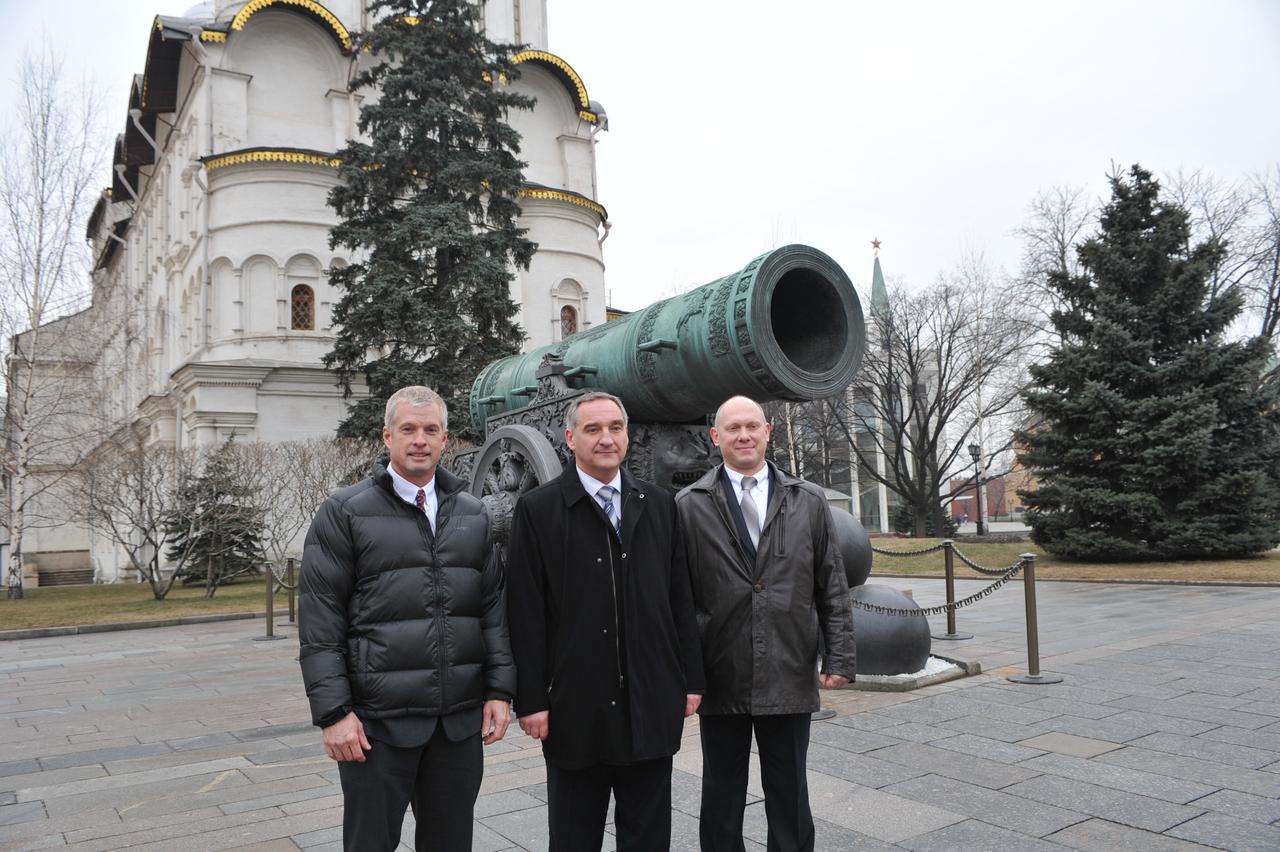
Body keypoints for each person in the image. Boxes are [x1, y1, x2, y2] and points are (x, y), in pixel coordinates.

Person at [298, 386, 515, 852]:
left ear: (445, 439)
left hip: (456, 724)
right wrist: (334, 714)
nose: (420, 439)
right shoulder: (345, 512)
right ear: (387, 437)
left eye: (431, 430)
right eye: (409, 430)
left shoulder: (473, 513)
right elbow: (320, 621)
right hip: (377, 726)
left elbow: (492, 609)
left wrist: (499, 690)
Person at [506, 391, 705, 851]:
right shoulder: (539, 510)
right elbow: (526, 612)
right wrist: (531, 699)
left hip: (649, 704)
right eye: (593, 429)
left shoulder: (659, 505)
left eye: (615, 427)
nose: (606, 438)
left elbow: (680, 599)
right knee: (575, 838)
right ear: (570, 437)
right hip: (576, 710)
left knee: (648, 837)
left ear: (627, 435)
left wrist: (691, 679)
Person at [675, 395, 856, 852]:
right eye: (732, 428)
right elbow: (678, 599)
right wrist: (685, 674)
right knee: (721, 791)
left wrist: (840, 655)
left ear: (768, 431)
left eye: (752, 426)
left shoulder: (809, 500)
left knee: (789, 789)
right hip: (722, 670)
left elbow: (831, 584)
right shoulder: (689, 505)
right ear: (716, 438)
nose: (744, 436)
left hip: (788, 665)